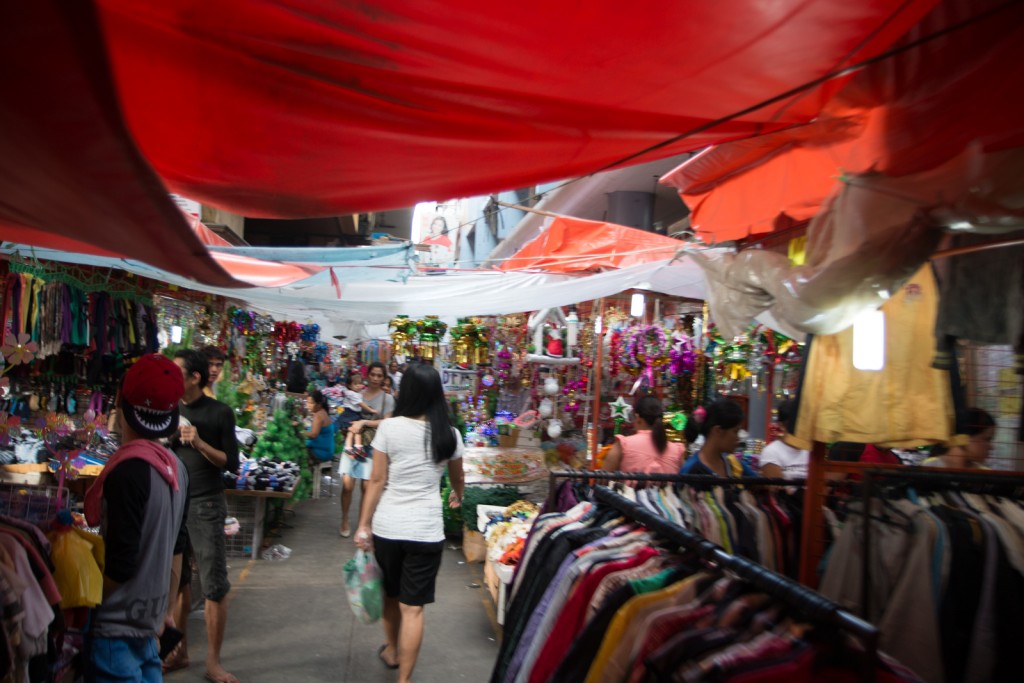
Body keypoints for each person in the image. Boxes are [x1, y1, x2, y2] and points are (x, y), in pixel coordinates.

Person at [354, 363, 464, 683]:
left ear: (407, 392)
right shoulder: (450, 434)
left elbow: (377, 480)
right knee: (413, 608)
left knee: (391, 595)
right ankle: (404, 679)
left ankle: (392, 650)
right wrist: (458, 495)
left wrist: (363, 524)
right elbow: (457, 478)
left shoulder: (389, 428)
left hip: (389, 527)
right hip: (427, 530)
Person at [84, 354, 189, 682]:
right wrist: (166, 611)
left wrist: (83, 601)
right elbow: (177, 547)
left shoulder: (128, 471)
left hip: (115, 633)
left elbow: (120, 565)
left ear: (119, 402)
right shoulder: (176, 468)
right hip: (149, 629)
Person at [168, 350, 240, 683]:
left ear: (194, 377)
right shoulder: (168, 411)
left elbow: (231, 463)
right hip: (174, 503)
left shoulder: (219, 413)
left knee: (213, 586)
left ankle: (213, 662)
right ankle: (179, 652)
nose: (170, 378)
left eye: (176, 373)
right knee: (178, 583)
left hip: (206, 505)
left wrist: (198, 442)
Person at [340, 361, 395, 537]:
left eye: (380, 376)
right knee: (347, 485)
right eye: (373, 375)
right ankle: (345, 519)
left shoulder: (388, 399)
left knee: (366, 487)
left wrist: (364, 422)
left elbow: (386, 422)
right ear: (367, 375)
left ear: (384, 378)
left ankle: (363, 523)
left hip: (373, 445)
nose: (376, 379)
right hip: (352, 441)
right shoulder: (357, 394)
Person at [603, 396, 684, 473]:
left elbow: (603, 479)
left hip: (629, 487)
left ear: (638, 417)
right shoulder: (677, 451)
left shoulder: (623, 445)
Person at [680, 398, 758, 476]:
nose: (738, 438)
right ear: (717, 431)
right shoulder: (692, 471)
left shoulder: (733, 463)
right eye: (735, 431)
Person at [922, 407, 996, 469]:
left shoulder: (986, 475)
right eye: (987, 439)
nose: (991, 447)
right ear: (964, 437)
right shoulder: (930, 468)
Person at [759, 398, 809, 480]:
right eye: (794, 424)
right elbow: (776, 487)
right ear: (781, 425)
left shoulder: (810, 451)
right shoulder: (771, 452)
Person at [302, 389, 336, 464]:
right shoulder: (322, 412)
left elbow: (313, 435)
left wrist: (299, 432)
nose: (308, 405)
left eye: (311, 403)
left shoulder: (318, 416)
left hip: (321, 453)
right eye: (307, 402)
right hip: (327, 451)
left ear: (319, 404)